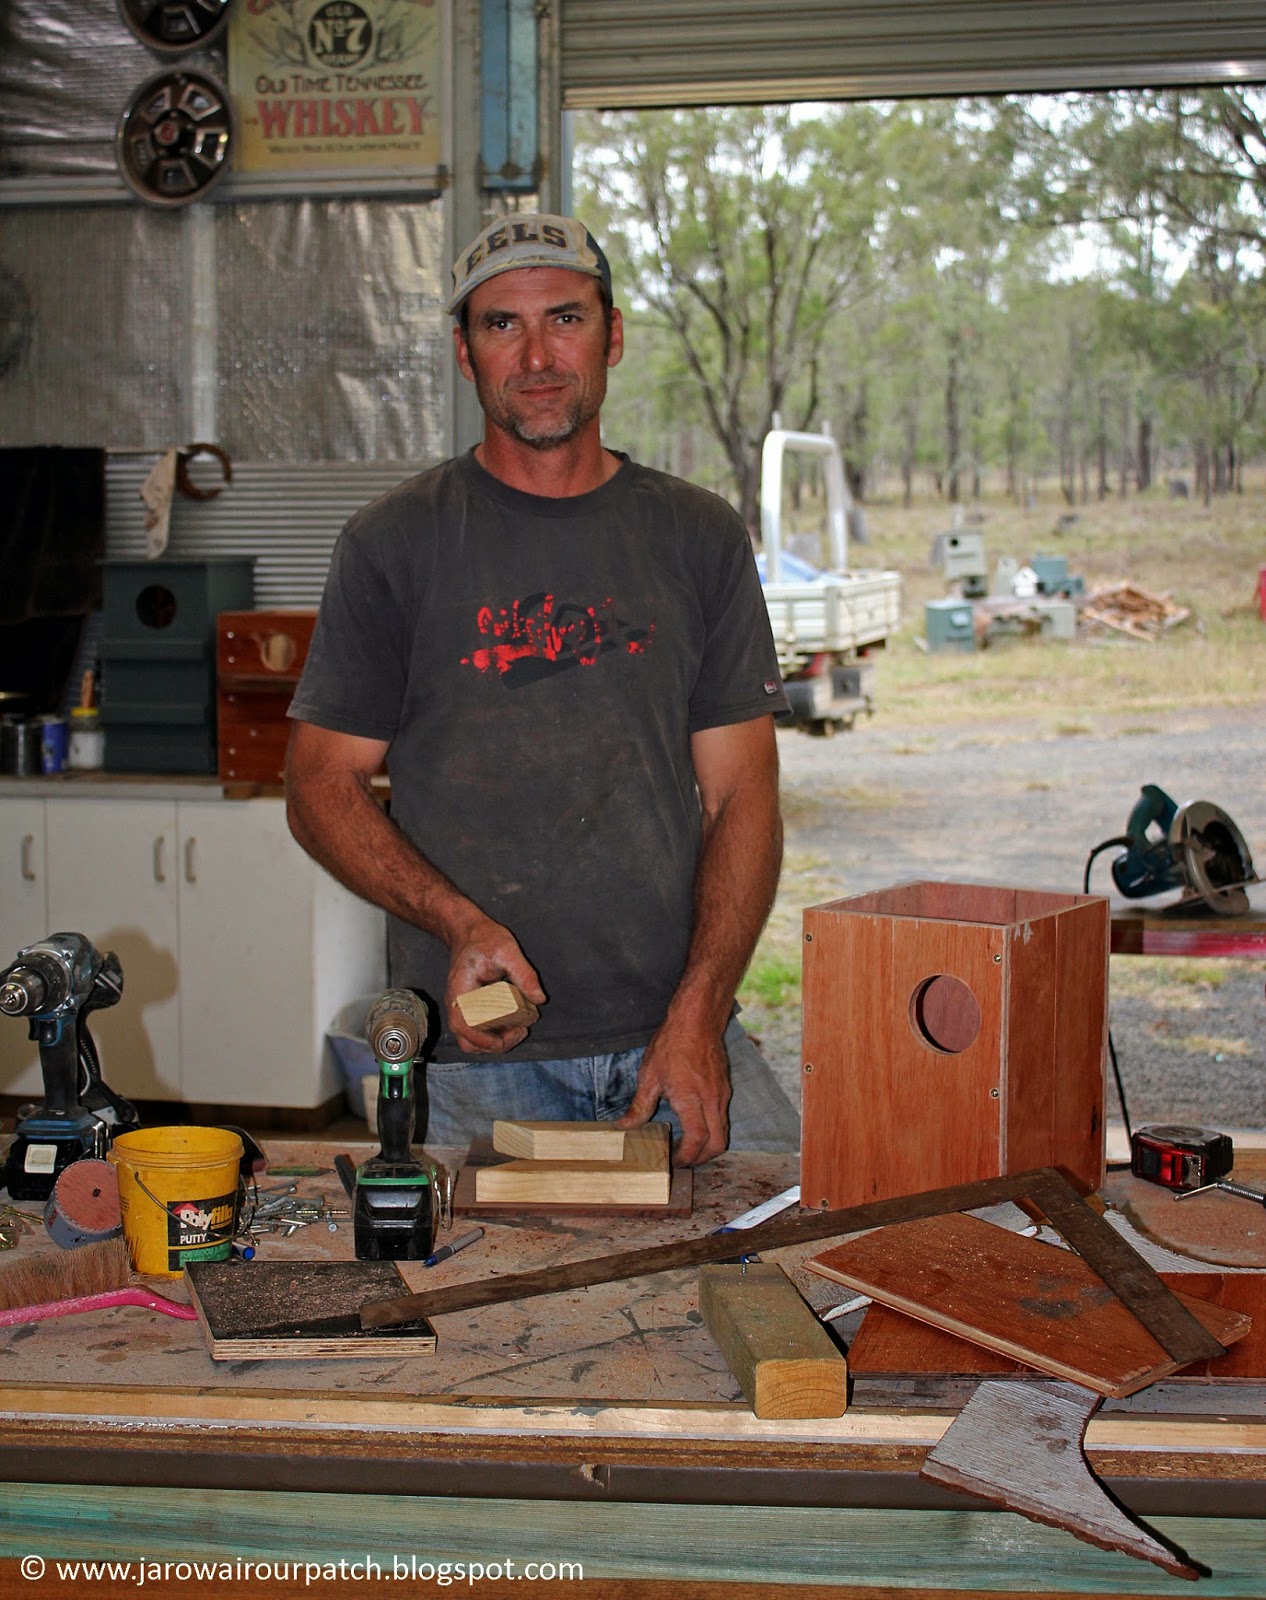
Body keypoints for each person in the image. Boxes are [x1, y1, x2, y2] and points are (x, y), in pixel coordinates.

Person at [285, 213, 798, 1164]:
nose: (536, 356)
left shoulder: (697, 536)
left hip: (675, 1032)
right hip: (481, 1052)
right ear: (463, 353)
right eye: (500, 325)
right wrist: (459, 924)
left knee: (798, 1236)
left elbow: (743, 793)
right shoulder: (393, 543)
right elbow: (320, 785)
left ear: (613, 334)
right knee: (483, 1270)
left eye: (565, 318)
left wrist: (700, 1008)